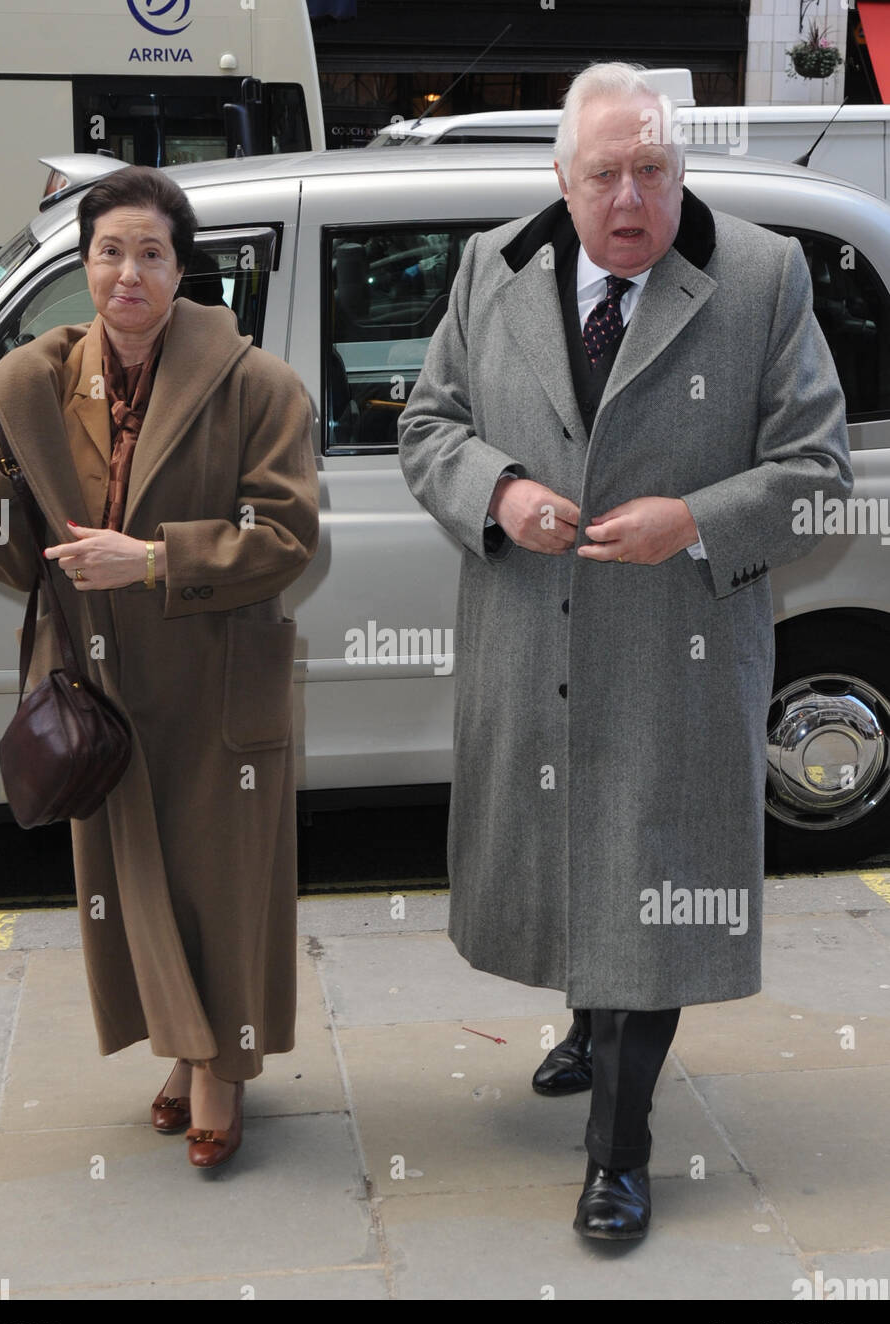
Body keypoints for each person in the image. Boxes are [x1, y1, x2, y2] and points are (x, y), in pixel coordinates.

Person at [397, 62, 852, 1239]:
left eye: (653, 169)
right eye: (605, 173)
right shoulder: (490, 267)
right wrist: (496, 491)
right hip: (531, 646)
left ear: (681, 169)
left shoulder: (762, 277)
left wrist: (694, 521)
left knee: (651, 891)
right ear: (564, 178)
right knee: (567, 857)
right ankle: (585, 1022)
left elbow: (819, 475)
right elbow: (428, 421)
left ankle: (621, 1152)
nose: (630, 197)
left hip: (676, 654)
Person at [0, 165, 320, 1170]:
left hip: (214, 680)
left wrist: (158, 558)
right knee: (133, 885)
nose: (130, 272)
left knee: (221, 883)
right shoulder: (43, 380)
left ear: (181, 268)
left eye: (151, 253)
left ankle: (222, 1070)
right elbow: (7, 553)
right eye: (111, 251)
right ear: (85, 265)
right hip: (100, 682)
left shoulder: (257, 383)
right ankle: (181, 1051)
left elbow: (289, 535)